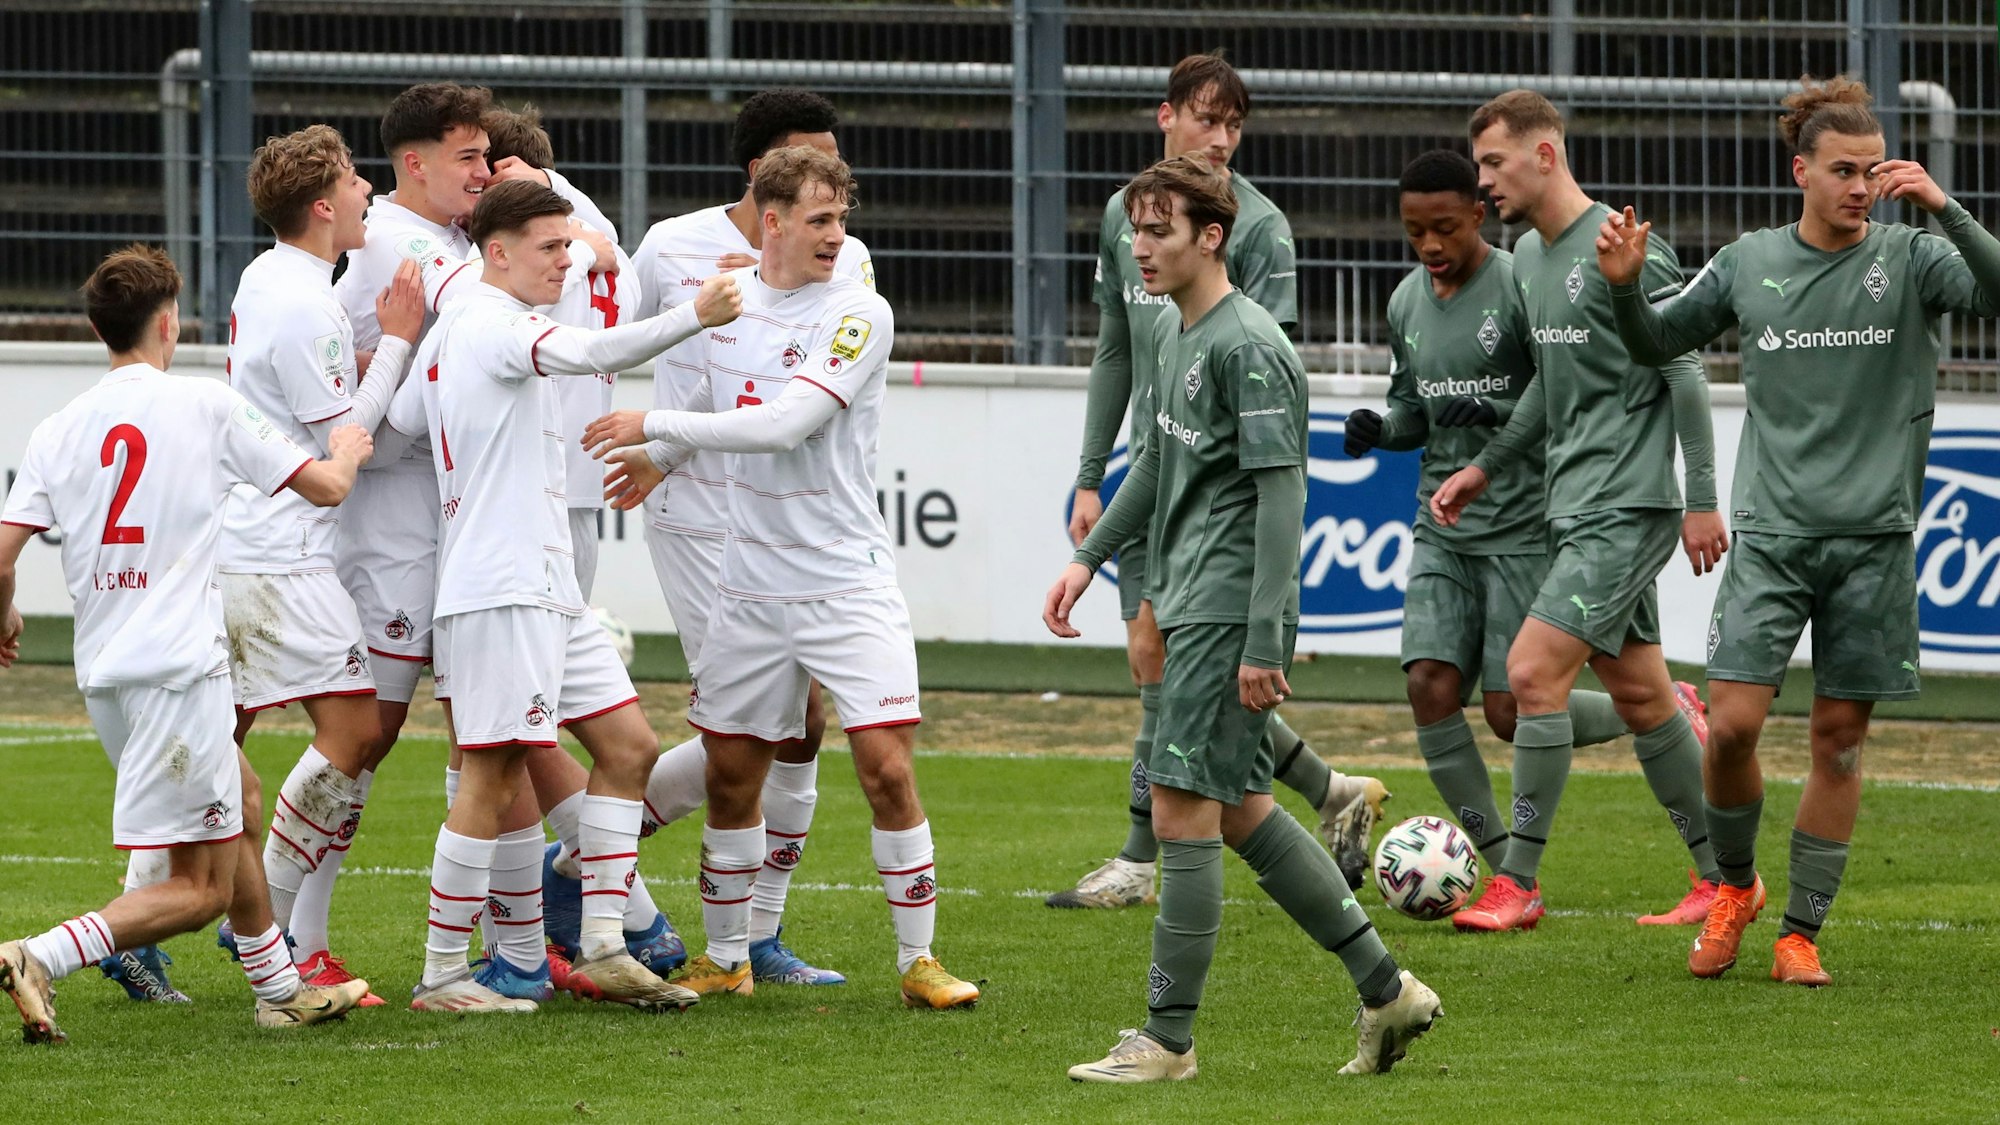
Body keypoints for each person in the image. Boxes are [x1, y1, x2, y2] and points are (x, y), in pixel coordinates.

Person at [1045, 155, 1440, 1083]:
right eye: (1136, 231)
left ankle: (1167, 1040)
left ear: (1211, 236)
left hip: (1227, 612)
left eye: (1160, 231)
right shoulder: (1174, 328)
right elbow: (1155, 464)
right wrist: (1089, 559)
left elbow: (1281, 499)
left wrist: (1265, 639)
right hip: (1189, 597)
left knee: (1181, 812)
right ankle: (1387, 990)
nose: (1141, 248)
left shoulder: (1250, 345)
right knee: (1242, 811)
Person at [1598, 76, 2000, 984]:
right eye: (1844, 170)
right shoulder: (1749, 262)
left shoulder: (1910, 258)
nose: (1863, 186)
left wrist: (1945, 207)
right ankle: (1736, 887)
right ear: (1801, 173)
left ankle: (1799, 934)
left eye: (1874, 169)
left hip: (1874, 541)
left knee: (1838, 741)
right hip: (1774, 537)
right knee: (1732, 728)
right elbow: (1657, 342)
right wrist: (1624, 292)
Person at [585, 145, 978, 1010]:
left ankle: (920, 961)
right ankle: (728, 956)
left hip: (844, 579)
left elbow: (785, 423)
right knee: (733, 773)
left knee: (885, 767)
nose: (838, 235)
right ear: (773, 221)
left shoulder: (859, 311)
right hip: (749, 583)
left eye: (842, 218)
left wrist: (653, 423)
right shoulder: (727, 303)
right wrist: (660, 455)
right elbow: (724, 403)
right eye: (820, 219)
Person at [0, 245, 374, 1040]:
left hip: (107, 677)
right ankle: (39, 954)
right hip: (179, 669)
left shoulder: (59, 427)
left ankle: (280, 988)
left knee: (242, 799)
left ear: (99, 330)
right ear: (168, 324)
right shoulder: (205, 404)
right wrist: (345, 449)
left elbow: (3, 556)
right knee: (200, 888)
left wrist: (6, 616)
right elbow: (327, 487)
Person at [382, 179, 731, 1014]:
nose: (566, 261)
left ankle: (604, 943)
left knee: (629, 745)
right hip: (502, 586)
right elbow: (589, 351)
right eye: (550, 246)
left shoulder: (456, 327)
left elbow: (401, 418)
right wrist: (697, 313)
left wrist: (406, 352)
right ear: (497, 251)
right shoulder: (490, 321)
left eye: (568, 245)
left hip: (541, 584)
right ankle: (442, 973)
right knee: (492, 775)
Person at [1058, 51, 1385, 910]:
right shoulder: (1126, 216)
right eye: (1208, 117)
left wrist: (1265, 626)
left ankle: (1140, 858)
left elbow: (1251, 388)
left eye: (1235, 123)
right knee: (1167, 675)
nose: (1223, 137)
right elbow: (1116, 350)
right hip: (1155, 476)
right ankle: (1331, 792)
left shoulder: (1260, 232)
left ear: (1209, 239)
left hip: (1212, 506)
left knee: (1171, 676)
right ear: (1166, 116)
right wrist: (1092, 479)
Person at [1430, 90, 1731, 933]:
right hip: (1573, 502)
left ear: (1546, 154)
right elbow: (1547, 386)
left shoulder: (1625, 246)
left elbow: (1684, 372)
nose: (1484, 181)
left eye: (1494, 162)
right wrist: (1486, 466)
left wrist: (1702, 499)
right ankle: (1721, 879)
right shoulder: (1527, 257)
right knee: (1641, 698)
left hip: (1627, 504)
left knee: (1529, 675)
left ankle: (1517, 881)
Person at [607, 88, 878, 986]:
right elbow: (615, 342)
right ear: (763, 171)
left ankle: (752, 932)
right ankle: (590, 856)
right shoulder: (671, 245)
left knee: (798, 726)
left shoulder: (847, 258)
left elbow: (829, 371)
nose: (831, 183)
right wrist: (657, 450)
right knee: (751, 729)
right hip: (697, 512)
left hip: (789, 519)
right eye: (812, 161)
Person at [1343, 150, 1651, 872]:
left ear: (1479, 214)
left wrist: (1495, 409)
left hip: (1521, 523)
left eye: (1445, 228)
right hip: (1441, 523)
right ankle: (1498, 861)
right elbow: (1413, 412)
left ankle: (1657, 709)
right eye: (1414, 231)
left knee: (1510, 712)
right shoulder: (1405, 301)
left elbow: (1565, 393)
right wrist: (1381, 428)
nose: (1430, 245)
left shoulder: (1518, 284)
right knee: (1428, 684)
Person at [464, 104, 689, 997]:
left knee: (496, 740)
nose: (473, 181)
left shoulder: (515, 257)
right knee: (533, 729)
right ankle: (617, 918)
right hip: (564, 509)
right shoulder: (597, 241)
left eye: (483, 165)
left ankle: (520, 945)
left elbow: (586, 342)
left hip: (516, 519)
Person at [216, 124, 423, 1006]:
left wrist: (363, 355)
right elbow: (347, 443)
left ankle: (148, 918)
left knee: (218, 743)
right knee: (356, 733)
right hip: (286, 554)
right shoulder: (306, 302)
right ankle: (266, 927)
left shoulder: (273, 278)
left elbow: (299, 394)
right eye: (352, 179)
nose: (368, 189)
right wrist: (400, 341)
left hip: (251, 544)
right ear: (321, 205)